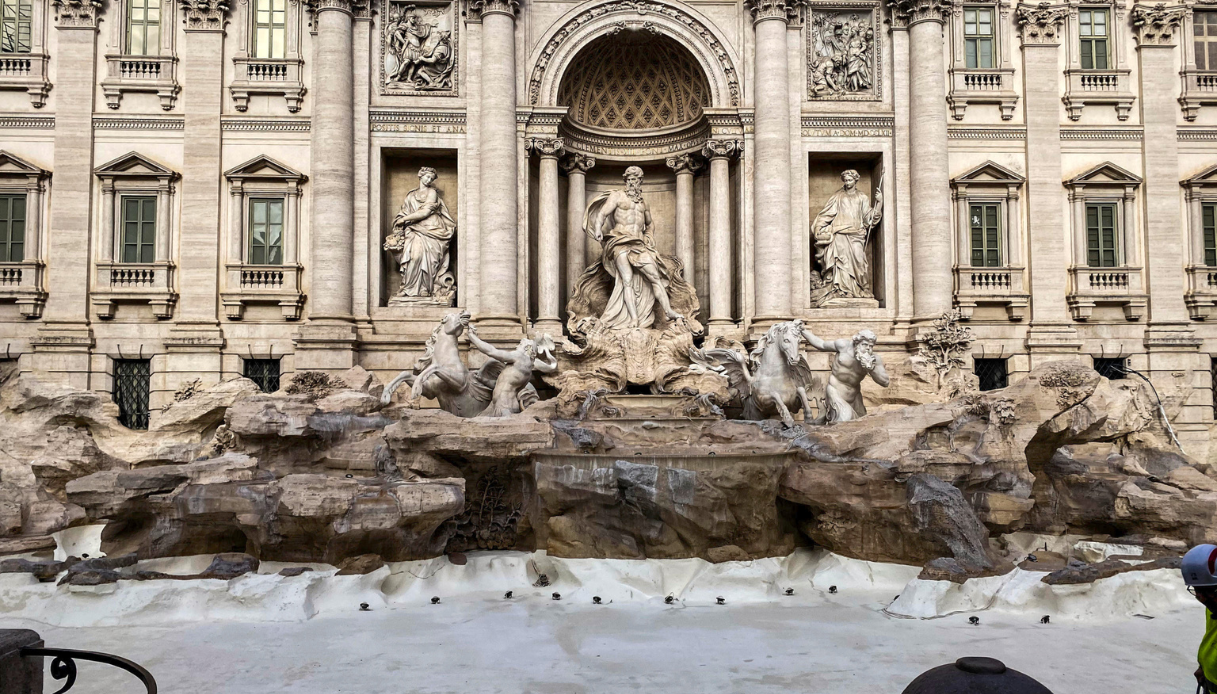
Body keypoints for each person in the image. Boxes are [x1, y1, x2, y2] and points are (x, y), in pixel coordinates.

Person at [584, 166, 683, 328]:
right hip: (619, 242)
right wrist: (597, 229)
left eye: (635, 180)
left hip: (639, 244)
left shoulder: (644, 203)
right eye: (629, 179)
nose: (631, 183)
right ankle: (634, 319)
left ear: (640, 182)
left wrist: (649, 236)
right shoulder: (617, 196)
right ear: (625, 181)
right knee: (627, 280)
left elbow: (650, 224)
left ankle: (668, 310)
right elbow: (602, 213)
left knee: (655, 277)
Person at [384, 166, 456, 300]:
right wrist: (400, 220)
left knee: (429, 260)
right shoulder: (411, 195)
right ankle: (408, 287)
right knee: (414, 257)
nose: (429, 180)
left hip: (432, 229)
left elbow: (426, 212)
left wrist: (405, 219)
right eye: (427, 177)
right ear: (420, 175)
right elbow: (404, 211)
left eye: (431, 178)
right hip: (414, 230)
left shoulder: (432, 193)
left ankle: (425, 288)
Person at [797, 325, 889, 422]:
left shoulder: (874, 360)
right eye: (865, 345)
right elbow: (821, 344)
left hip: (854, 397)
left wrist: (871, 368)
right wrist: (803, 331)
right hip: (835, 393)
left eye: (871, 346)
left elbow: (885, 382)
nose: (868, 349)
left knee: (860, 426)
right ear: (856, 343)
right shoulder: (843, 346)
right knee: (844, 421)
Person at [1184, 544, 1217, 692]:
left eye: (1208, 590)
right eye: (1196, 590)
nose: (1201, 597)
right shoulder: (1213, 607)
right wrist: (1204, 667)